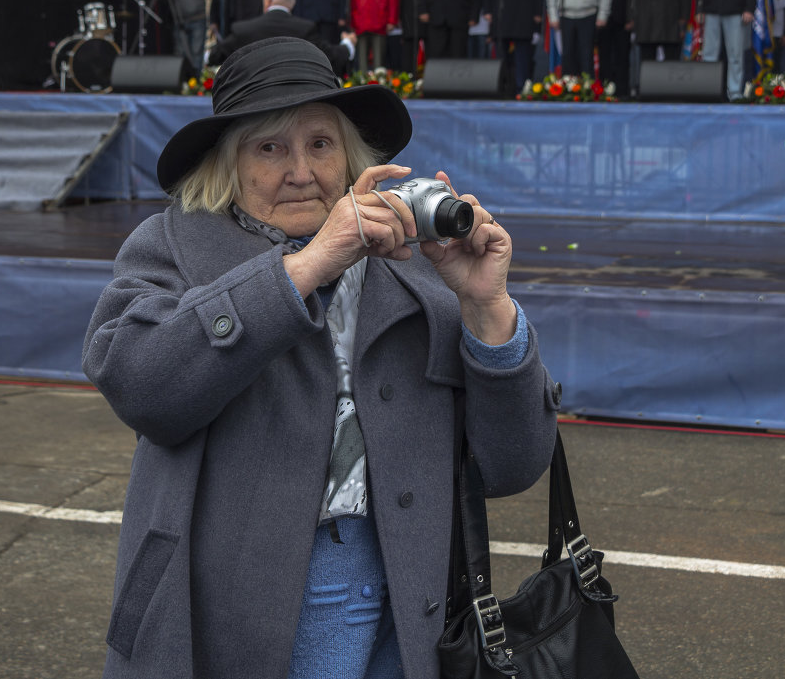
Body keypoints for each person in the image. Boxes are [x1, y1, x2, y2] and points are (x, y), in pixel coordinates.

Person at [82, 36, 559, 679]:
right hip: (221, 617)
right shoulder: (171, 245)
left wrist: (487, 309)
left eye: (320, 144)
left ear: (349, 157)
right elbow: (141, 386)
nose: (301, 170)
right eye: (270, 147)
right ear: (229, 164)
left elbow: (512, 466)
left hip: (410, 613)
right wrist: (307, 267)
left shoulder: (418, 273)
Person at [207, 0, 355, 75]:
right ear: (292, 3)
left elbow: (214, 56)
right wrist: (348, 44)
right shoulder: (305, 29)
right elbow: (332, 58)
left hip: (253, 107)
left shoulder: (243, 30)